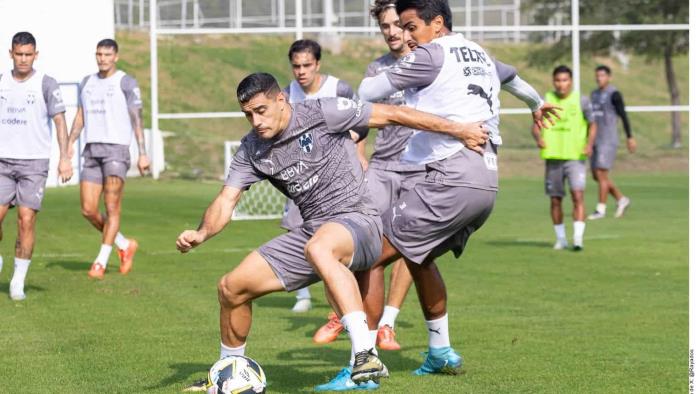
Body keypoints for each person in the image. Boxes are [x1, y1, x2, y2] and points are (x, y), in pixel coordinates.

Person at [176, 72, 489, 391]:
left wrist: (459, 129)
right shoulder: (251, 149)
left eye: (261, 110)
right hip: (312, 231)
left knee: (320, 248)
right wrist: (201, 234)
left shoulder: (323, 112)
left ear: (281, 100)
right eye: (247, 114)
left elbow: (393, 114)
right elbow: (226, 199)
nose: (255, 121)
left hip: (359, 220)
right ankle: (226, 373)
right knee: (231, 287)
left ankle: (365, 356)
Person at [353, 0, 558, 378]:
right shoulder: (478, 52)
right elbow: (513, 80)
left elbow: (367, 89)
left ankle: (363, 366)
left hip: (450, 179)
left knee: (369, 256)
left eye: (412, 26)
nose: (406, 35)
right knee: (418, 258)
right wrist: (537, 104)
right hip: (485, 183)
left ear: (437, 24)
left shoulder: (430, 54)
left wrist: (403, 70)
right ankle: (440, 351)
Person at [312, 0, 418, 354]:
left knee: (408, 248)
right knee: (366, 244)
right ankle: (345, 314)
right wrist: (357, 157)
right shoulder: (378, 69)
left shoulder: (429, 61)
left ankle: (386, 323)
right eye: (384, 27)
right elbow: (361, 120)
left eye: (395, 25)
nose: (391, 32)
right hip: (383, 168)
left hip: (420, 169)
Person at [281, 39, 368, 313]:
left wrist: (360, 154)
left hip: (337, 175)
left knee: (342, 232)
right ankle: (303, 295)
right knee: (296, 229)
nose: (301, 71)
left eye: (307, 65)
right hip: (302, 176)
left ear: (318, 64)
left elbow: (360, 120)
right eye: (296, 66)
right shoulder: (287, 94)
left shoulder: (338, 88)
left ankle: (345, 292)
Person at [67, 39, 149, 279]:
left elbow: (137, 118)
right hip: (91, 150)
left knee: (112, 207)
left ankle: (100, 262)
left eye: (107, 54)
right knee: (88, 209)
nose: (102, 58)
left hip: (116, 150)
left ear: (116, 56)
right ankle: (124, 245)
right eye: (99, 54)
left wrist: (142, 152)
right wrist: (69, 144)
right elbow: (80, 116)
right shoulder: (87, 82)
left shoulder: (126, 82)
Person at [0, 31, 72, 300]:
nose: (23, 59)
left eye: (28, 54)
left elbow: (60, 121)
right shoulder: (2, 81)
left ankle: (18, 280)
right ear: (11, 54)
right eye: (18, 54)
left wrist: (65, 157)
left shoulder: (46, 83)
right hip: (2, 160)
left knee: (26, 220)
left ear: (35, 54)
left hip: (33, 163)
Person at [532, 65, 596, 251]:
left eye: (565, 80)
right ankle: (561, 239)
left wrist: (589, 144)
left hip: (575, 157)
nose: (561, 84)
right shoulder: (545, 100)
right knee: (555, 200)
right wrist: (538, 138)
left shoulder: (581, 101)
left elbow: (593, 125)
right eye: (558, 80)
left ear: (571, 81)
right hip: (553, 158)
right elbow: (536, 125)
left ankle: (577, 238)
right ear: (553, 81)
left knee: (578, 195)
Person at [587, 64, 636, 220]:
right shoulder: (593, 94)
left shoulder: (614, 94)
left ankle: (600, 209)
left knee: (601, 173)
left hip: (607, 140)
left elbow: (623, 115)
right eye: (597, 75)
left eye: (602, 75)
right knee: (596, 175)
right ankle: (621, 199)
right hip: (594, 139)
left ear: (609, 77)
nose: (599, 78)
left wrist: (630, 137)